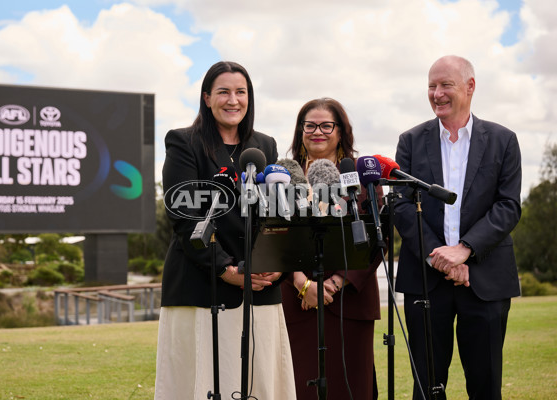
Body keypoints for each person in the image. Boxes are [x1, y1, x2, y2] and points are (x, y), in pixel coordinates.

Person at [154, 61, 296, 400]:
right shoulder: (183, 142)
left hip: (260, 288)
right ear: (206, 98)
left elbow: (276, 213)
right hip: (202, 287)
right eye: (223, 92)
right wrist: (225, 268)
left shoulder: (265, 144)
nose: (233, 100)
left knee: (260, 385)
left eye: (240, 92)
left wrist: (275, 262)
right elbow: (185, 218)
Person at [393, 55, 522, 399]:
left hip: (486, 280)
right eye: (432, 86)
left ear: (470, 86)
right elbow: (401, 205)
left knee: (485, 385)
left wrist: (464, 250)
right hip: (425, 280)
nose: (437, 93)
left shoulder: (503, 139)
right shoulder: (410, 140)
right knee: (427, 387)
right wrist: (441, 257)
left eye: (445, 85)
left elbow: (508, 206)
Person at [281, 97, 384, 399]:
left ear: (341, 131)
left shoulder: (362, 179)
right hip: (297, 303)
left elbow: (377, 242)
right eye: (309, 125)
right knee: (299, 387)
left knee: (350, 388)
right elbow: (275, 235)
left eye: (327, 125)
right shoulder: (282, 177)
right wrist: (301, 282)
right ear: (300, 131)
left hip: (349, 302)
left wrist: (336, 282)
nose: (318, 132)